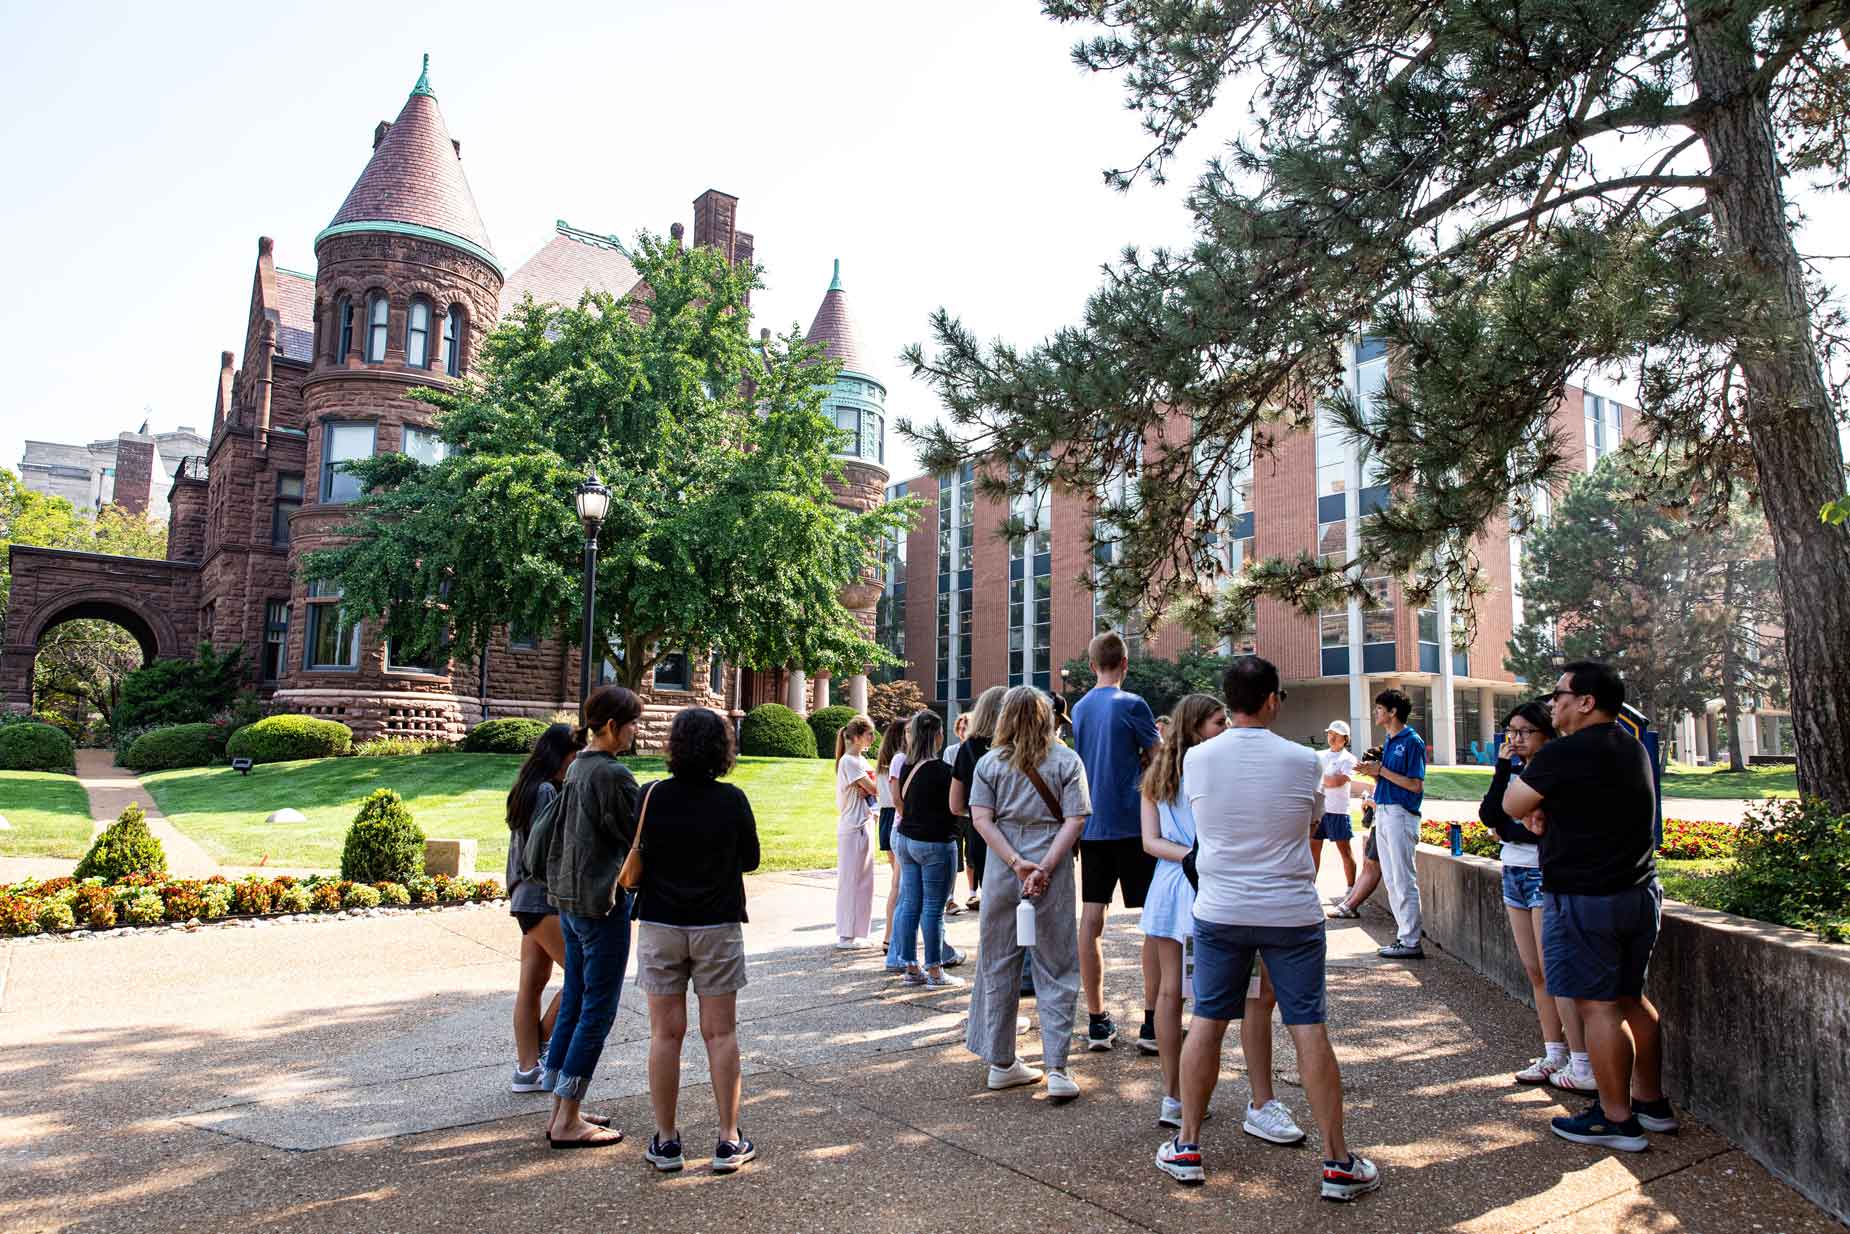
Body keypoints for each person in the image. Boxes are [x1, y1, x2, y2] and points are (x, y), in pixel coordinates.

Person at [1157, 656, 1380, 1201]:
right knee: (1308, 1027)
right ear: (1273, 699)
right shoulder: (1303, 760)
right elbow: (1310, 822)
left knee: (1207, 1020)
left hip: (1220, 910)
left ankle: (1187, 1145)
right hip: (1290, 912)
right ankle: (1337, 1161)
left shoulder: (1198, 759)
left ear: (1229, 700)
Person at [1502, 662, 1677, 1153]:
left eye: (1560, 694)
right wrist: (1547, 810)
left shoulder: (1566, 751)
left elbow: (1511, 805)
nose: (1553, 702)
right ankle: (1651, 1103)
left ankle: (1615, 1118)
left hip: (1586, 899)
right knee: (1630, 998)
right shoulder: (1630, 748)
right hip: (1638, 893)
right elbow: (1591, 807)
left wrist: (1535, 804)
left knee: (1598, 1007)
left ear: (1586, 702)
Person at [636, 707, 761, 1174]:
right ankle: (728, 1138)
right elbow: (751, 859)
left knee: (664, 1034)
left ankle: (667, 1140)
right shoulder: (732, 799)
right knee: (721, 1033)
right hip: (716, 923)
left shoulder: (651, 795)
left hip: (660, 922)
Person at [966, 685, 1090, 1102]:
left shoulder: (989, 763)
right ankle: (1057, 1067)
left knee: (998, 962)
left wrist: (1016, 863)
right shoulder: (1066, 760)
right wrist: (1045, 867)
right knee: (1057, 965)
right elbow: (1075, 820)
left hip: (1003, 869)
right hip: (1052, 865)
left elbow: (981, 819)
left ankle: (1001, 1062)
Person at [537, 685, 643, 1149]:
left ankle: (562, 1108)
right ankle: (568, 1120)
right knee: (597, 1008)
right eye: (633, 722)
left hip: (569, 901)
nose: (637, 731)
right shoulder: (612, 775)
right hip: (601, 904)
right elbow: (636, 835)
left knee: (576, 1002)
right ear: (613, 725)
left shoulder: (579, 764)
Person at [1480, 701, 1592, 1090]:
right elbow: (1490, 815)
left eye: (1526, 732)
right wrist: (1502, 768)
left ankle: (1581, 1060)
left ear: (1547, 734)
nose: (1517, 739)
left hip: (1544, 875)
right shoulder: (1515, 771)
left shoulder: (1553, 771)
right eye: (1511, 731)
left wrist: (1511, 828)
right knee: (1534, 971)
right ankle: (1553, 1052)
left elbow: (1543, 831)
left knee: (1555, 971)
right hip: (1513, 872)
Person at [1069, 631, 1162, 1053]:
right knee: (1154, 922)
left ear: (1092, 665)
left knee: (1091, 921)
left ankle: (1096, 1019)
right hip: (1133, 823)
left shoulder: (1081, 708)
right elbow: (1159, 756)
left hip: (1092, 825)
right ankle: (1152, 1023)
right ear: (1125, 663)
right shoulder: (1133, 703)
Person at [505, 723, 581, 1094]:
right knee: (584, 976)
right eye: (576, 754)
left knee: (531, 985)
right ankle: (543, 1051)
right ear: (562, 754)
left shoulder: (527, 788)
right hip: (542, 898)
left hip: (524, 897)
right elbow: (548, 850)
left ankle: (527, 1068)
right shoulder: (546, 791)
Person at [889, 709, 964, 987]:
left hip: (906, 839)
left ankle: (911, 967)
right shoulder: (944, 771)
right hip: (935, 843)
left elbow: (898, 801)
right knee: (933, 908)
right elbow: (957, 807)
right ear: (938, 735)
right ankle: (935, 970)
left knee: (910, 904)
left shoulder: (906, 765)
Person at [1356, 689, 1426, 960]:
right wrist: (1374, 773)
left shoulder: (1412, 741)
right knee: (1392, 879)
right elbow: (1390, 778)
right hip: (1384, 812)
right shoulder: (1390, 740)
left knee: (1402, 878)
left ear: (1393, 711)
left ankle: (1410, 940)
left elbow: (1415, 784)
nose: (1376, 712)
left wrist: (1381, 770)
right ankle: (1404, 936)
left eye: (1379, 708)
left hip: (1401, 814)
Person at [951, 685, 1008, 912]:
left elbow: (955, 805)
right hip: (1021, 834)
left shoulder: (967, 748)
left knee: (995, 908)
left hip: (983, 834)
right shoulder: (1021, 745)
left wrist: (979, 811)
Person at [833, 714, 880, 949]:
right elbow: (875, 788)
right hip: (854, 826)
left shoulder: (860, 760)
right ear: (858, 736)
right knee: (851, 880)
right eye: (869, 734)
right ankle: (846, 935)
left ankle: (859, 932)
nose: (873, 738)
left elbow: (871, 789)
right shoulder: (849, 761)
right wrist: (871, 788)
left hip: (864, 821)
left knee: (864, 881)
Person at [876, 718, 908, 958]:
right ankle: (891, 936)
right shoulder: (900, 761)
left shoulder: (883, 762)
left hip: (886, 818)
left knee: (897, 881)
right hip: (897, 815)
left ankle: (891, 936)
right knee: (899, 883)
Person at [1314, 721, 1359, 891]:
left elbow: (1336, 782)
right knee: (1313, 849)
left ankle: (1351, 889)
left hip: (1338, 811)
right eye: (1330, 733)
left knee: (1345, 851)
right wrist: (1324, 779)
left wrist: (1318, 778)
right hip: (1318, 811)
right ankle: (1310, 888)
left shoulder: (1349, 759)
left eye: (1336, 734)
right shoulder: (1318, 755)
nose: (1332, 737)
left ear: (1345, 739)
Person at [1325, 794, 1383, 919]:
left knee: (1372, 866)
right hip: (1379, 822)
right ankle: (1348, 903)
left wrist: (1374, 804)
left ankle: (1349, 906)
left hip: (1387, 821)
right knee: (1368, 865)